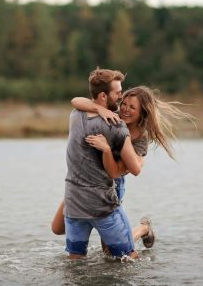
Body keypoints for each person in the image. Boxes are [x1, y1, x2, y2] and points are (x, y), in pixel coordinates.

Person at [52, 72, 196, 258]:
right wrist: (100, 109)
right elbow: (76, 101)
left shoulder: (139, 138)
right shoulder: (113, 115)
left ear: (142, 112)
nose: (125, 109)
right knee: (57, 227)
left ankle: (144, 228)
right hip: (83, 182)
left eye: (132, 108)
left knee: (112, 252)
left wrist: (112, 149)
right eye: (124, 104)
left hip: (112, 184)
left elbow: (129, 169)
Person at [61, 67, 144, 260]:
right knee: (129, 259)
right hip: (102, 206)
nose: (121, 97)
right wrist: (139, 159)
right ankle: (144, 229)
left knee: (75, 262)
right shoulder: (117, 126)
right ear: (104, 96)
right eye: (118, 93)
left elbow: (77, 101)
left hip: (74, 204)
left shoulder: (75, 115)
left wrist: (97, 108)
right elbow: (135, 169)